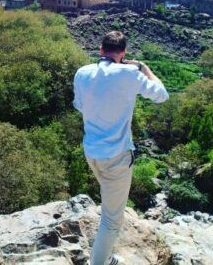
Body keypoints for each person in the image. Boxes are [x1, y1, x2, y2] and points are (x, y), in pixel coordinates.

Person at [73, 31, 169, 265]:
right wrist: (143, 67)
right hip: (116, 157)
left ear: (101, 50)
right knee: (112, 219)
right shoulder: (129, 73)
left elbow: (80, 107)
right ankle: (99, 262)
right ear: (123, 53)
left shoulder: (82, 73)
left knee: (109, 209)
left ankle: (104, 256)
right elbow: (162, 95)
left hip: (92, 152)